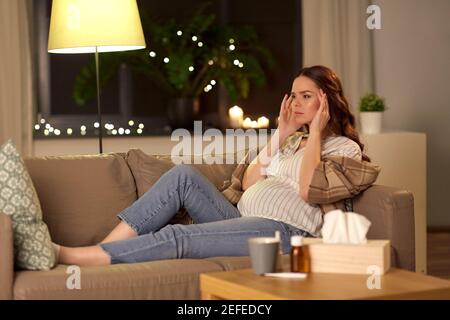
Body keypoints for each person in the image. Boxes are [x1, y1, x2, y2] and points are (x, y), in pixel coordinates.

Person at [55, 65, 370, 266]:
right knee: (183, 176)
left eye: (306, 97)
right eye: (293, 96)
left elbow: (308, 189)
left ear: (326, 101)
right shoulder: (289, 142)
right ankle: (106, 247)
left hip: (286, 231)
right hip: (243, 218)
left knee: (179, 236)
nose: (296, 104)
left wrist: (315, 133)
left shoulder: (344, 148)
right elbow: (248, 183)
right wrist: (283, 133)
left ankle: (79, 257)